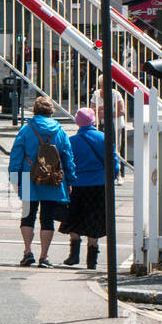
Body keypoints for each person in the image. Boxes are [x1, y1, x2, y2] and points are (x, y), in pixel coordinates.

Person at [8, 96, 77, 268]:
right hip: (53, 179)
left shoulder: (26, 130)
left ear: (35, 111)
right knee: (47, 219)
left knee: (27, 216)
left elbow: (16, 155)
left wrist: (14, 178)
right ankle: (44, 256)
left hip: (27, 177)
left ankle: (27, 251)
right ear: (51, 111)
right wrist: (70, 180)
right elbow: (68, 158)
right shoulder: (60, 132)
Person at [59, 108, 112, 269]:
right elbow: (113, 162)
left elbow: (66, 164)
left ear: (77, 122)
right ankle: (92, 259)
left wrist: (67, 181)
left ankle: (74, 255)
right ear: (93, 121)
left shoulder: (72, 141)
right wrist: (112, 176)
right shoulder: (104, 138)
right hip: (99, 185)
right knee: (94, 219)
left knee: (75, 217)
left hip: (77, 185)